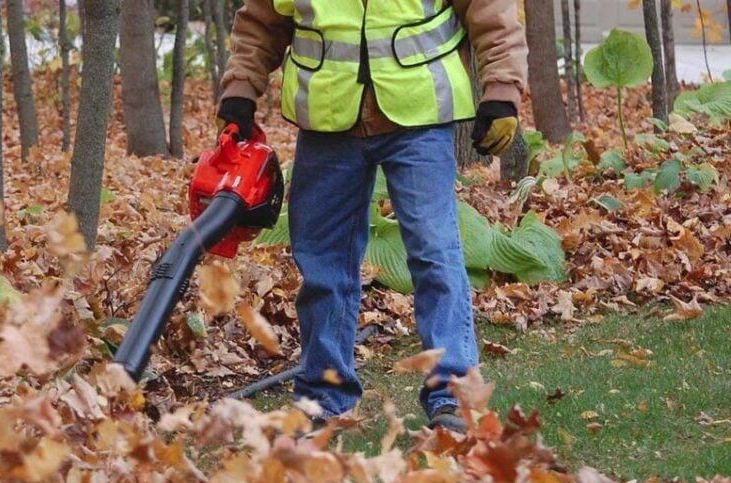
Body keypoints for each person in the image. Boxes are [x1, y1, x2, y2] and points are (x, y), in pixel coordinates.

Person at [217, 0, 527, 432]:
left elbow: (491, 11)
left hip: (419, 114)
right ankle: (324, 399)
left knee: (436, 256)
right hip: (327, 120)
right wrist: (240, 89)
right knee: (323, 266)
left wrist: (503, 90)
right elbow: (261, 22)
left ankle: (454, 395)